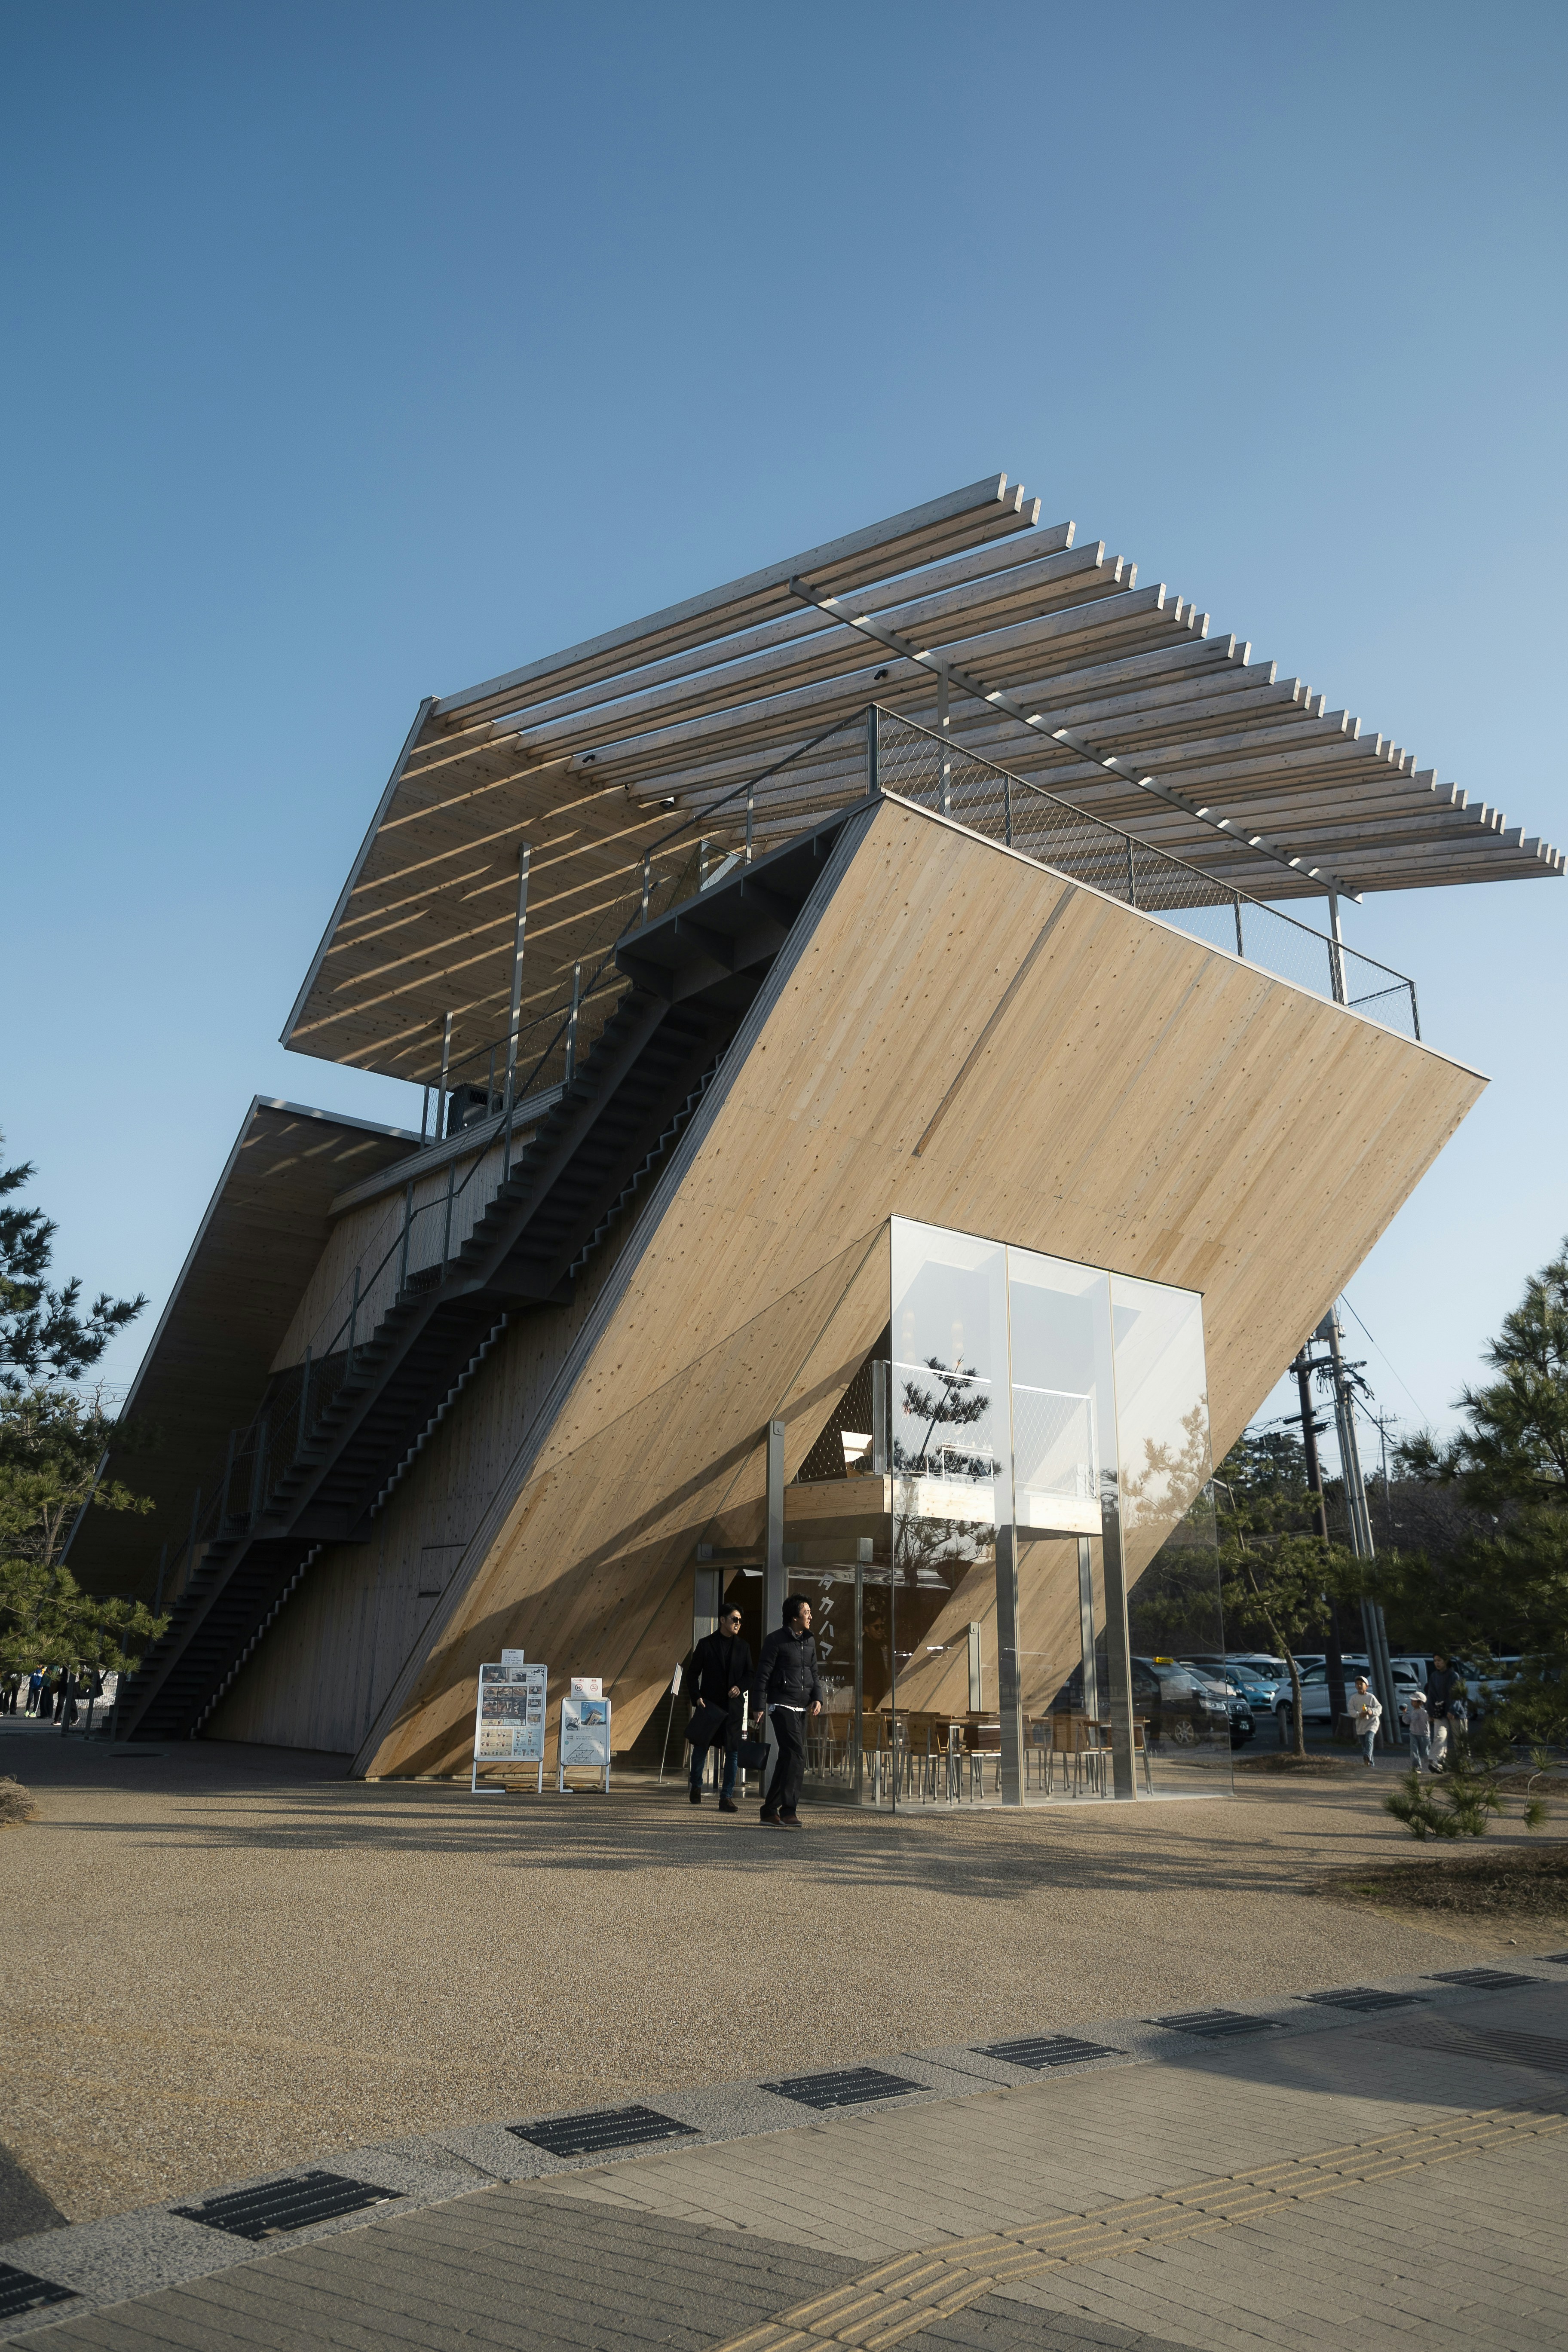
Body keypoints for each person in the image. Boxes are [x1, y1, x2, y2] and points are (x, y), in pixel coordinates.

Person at [750, 1595, 825, 1829]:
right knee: (796, 1755)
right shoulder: (775, 1641)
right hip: (781, 1705)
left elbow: (814, 1673)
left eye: (810, 1612)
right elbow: (763, 1675)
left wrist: (818, 1698)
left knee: (788, 1757)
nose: (811, 1617)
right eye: (806, 1613)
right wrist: (758, 1706)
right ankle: (789, 1811)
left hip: (802, 1707)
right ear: (794, 1617)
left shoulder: (810, 1641)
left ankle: (769, 1811)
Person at [684, 1603, 752, 1812]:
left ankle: (727, 1797)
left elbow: (751, 1674)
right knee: (701, 1749)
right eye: (735, 1619)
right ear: (723, 1620)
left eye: (740, 1620)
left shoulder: (744, 1647)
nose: (738, 1623)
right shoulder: (706, 1644)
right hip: (709, 1706)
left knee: (732, 1752)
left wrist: (740, 1687)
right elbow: (692, 1674)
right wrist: (697, 1698)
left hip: (733, 1709)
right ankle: (696, 1784)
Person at [1426, 1655, 1461, 1770]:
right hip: (1440, 1712)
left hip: (1456, 1713)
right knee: (1439, 1736)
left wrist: (1453, 1710)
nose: (1437, 1663)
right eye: (1435, 1661)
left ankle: (1463, 1766)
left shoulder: (1454, 1676)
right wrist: (1430, 1712)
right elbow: (1431, 1695)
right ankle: (1436, 1762)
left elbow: (1459, 1695)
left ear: (1446, 1661)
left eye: (1439, 1660)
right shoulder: (1434, 1676)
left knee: (1460, 1740)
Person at [1349, 1675, 1382, 1765]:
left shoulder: (1371, 1697)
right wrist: (1359, 1714)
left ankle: (1367, 1755)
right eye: (1357, 1684)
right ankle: (1370, 1763)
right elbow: (1351, 1711)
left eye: (1361, 1684)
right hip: (1361, 1724)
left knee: (1369, 1740)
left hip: (1372, 1723)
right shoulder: (1353, 1698)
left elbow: (1379, 1708)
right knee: (1364, 1745)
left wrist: (1371, 1711)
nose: (1359, 1686)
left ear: (1367, 1686)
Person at [1407, 1692, 1433, 1773]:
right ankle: (1416, 1767)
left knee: (1426, 1753)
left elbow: (1431, 1719)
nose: (1412, 1702)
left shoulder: (1424, 1712)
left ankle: (1435, 1764)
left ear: (1420, 1703)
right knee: (1414, 1751)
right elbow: (1408, 1721)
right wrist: (1404, 1714)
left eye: (1414, 1700)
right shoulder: (1413, 1711)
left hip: (1424, 1735)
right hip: (1413, 1733)